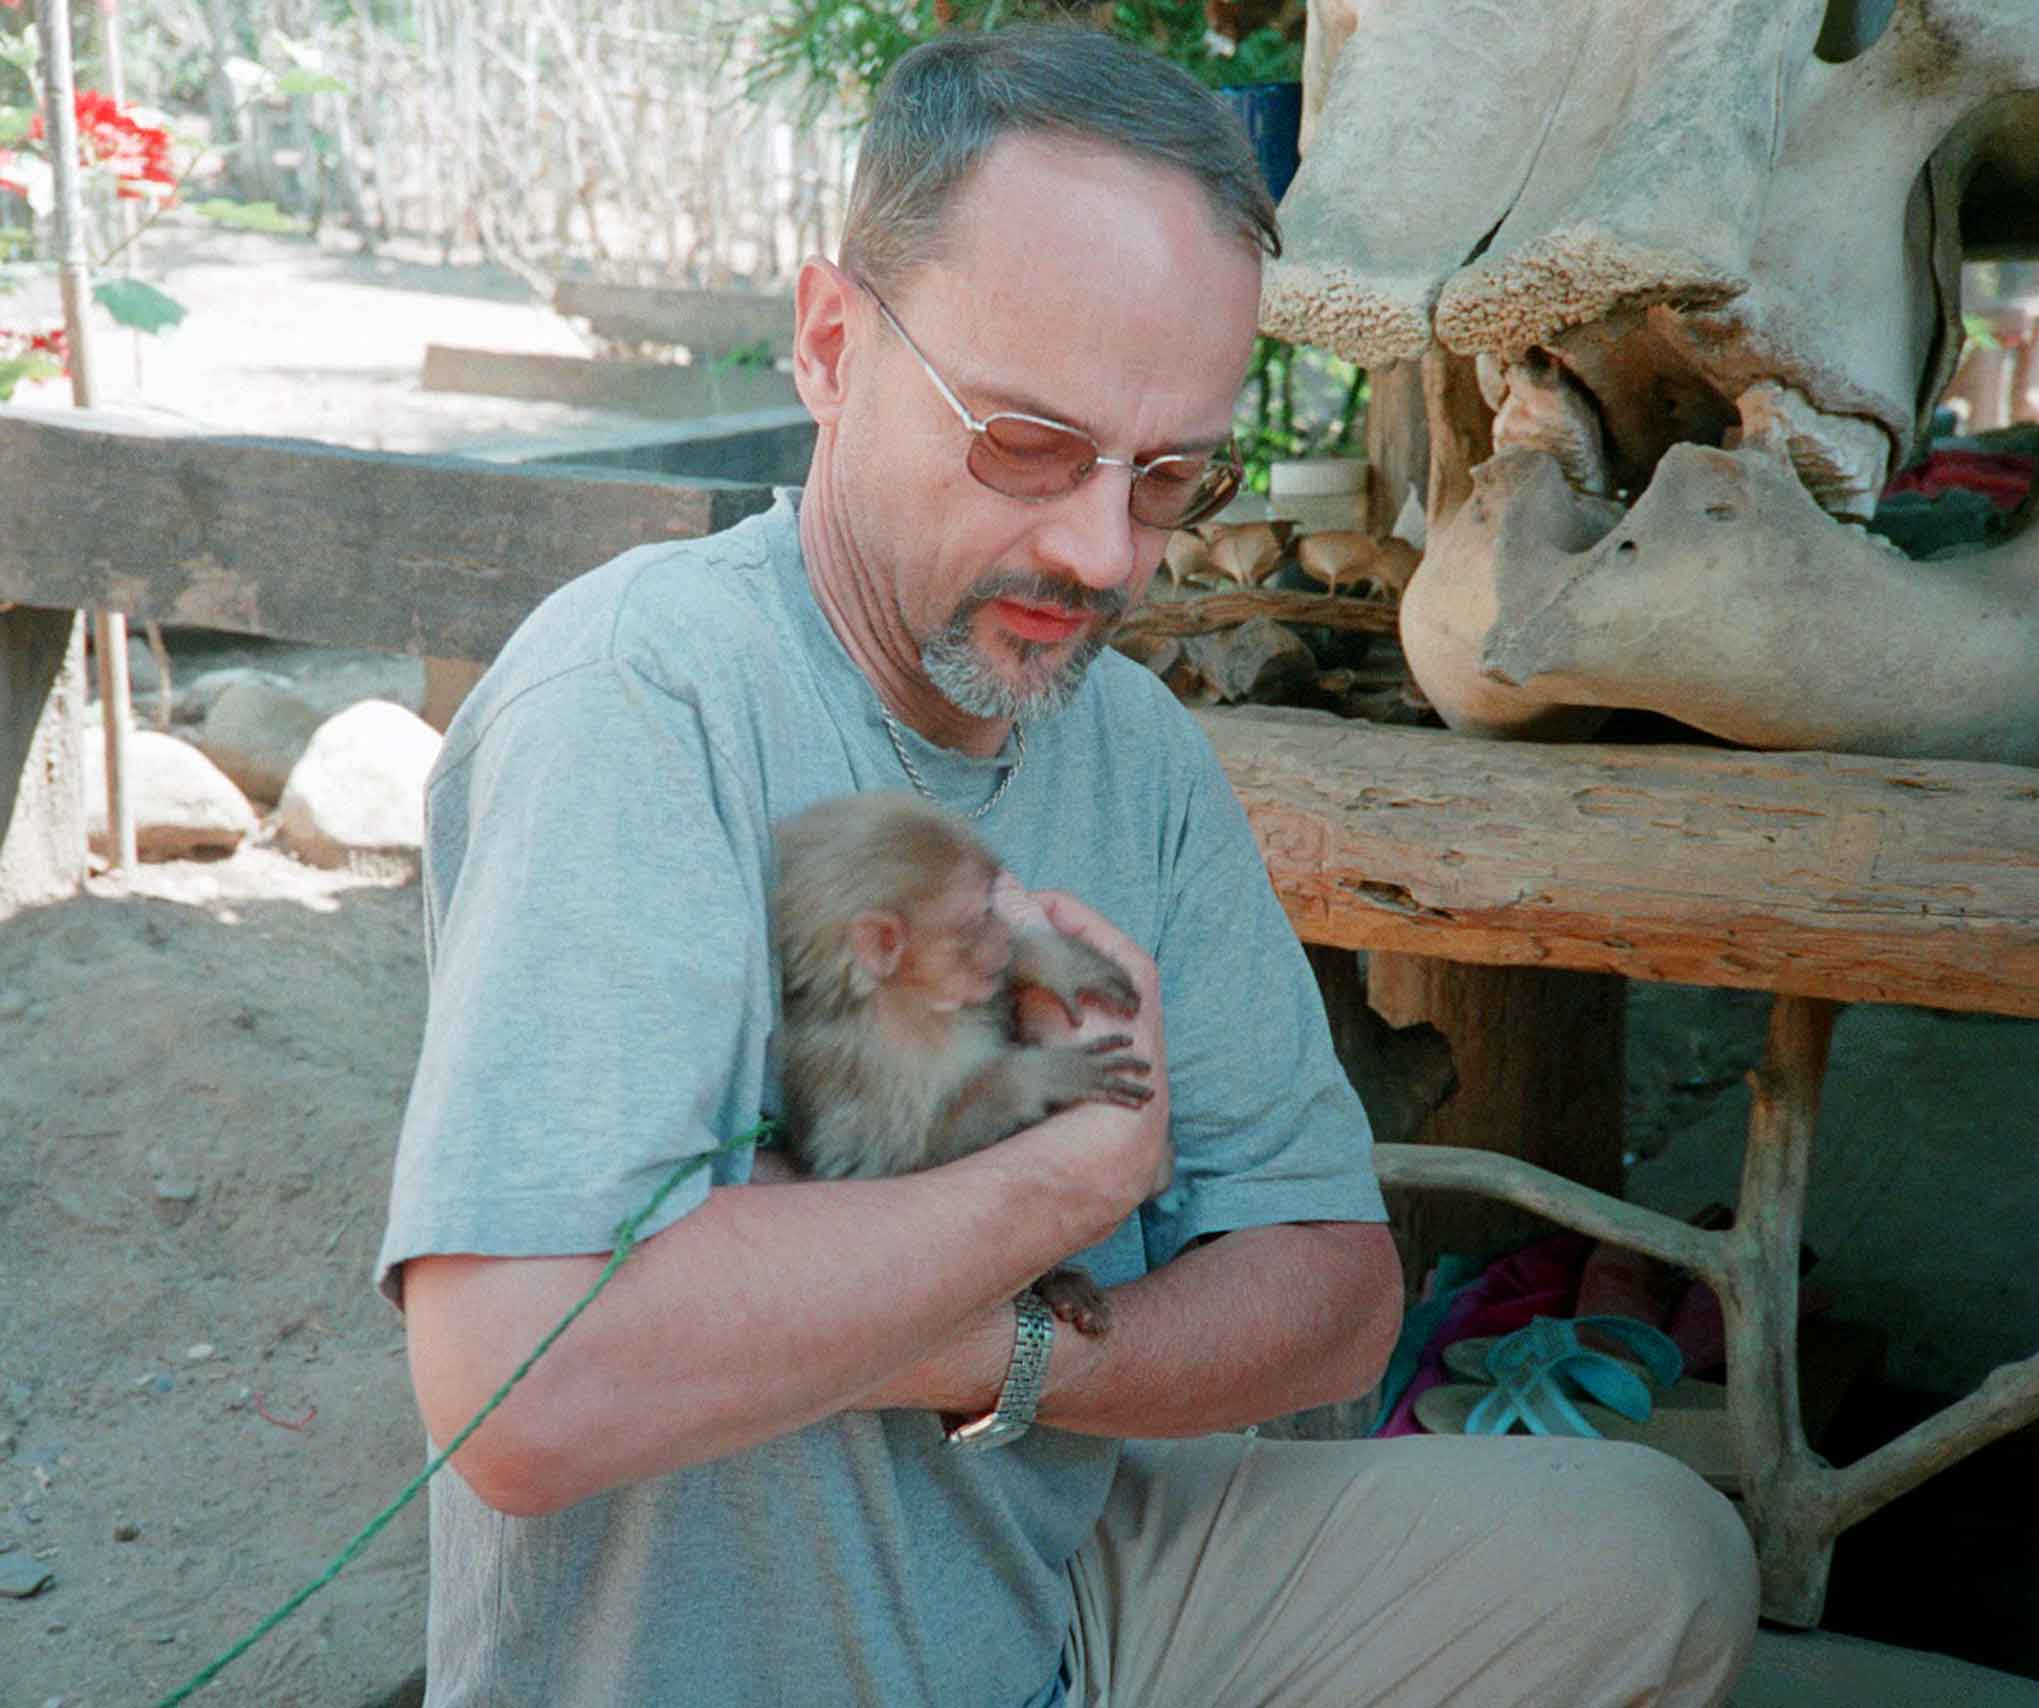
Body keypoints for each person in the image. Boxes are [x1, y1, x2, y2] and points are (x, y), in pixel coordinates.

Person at [378, 25, 1757, 1707]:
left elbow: (1331, 1290)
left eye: (1169, 476)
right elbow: (522, 1388)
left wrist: (990, 1346)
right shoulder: (641, 702)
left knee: (1650, 1558)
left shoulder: (1133, 749)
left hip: (1050, 1597)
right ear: (830, 344)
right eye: (1027, 445)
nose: (1103, 555)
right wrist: (1062, 1190)